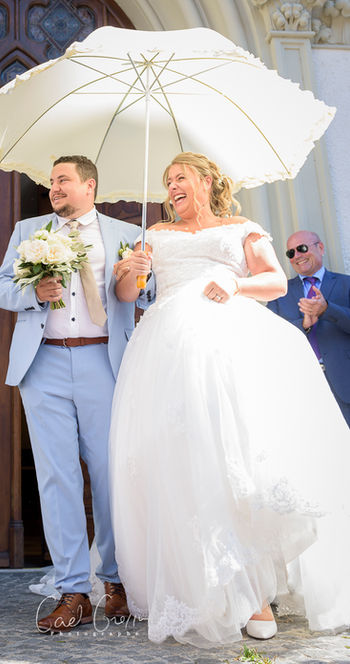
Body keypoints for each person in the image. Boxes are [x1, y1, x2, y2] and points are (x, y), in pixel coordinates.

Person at [109, 152, 350, 647]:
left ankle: (257, 591)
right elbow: (130, 294)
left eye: (181, 178)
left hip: (232, 344)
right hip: (168, 352)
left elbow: (275, 281)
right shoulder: (153, 236)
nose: (172, 187)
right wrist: (130, 270)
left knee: (238, 453)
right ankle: (202, 589)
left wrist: (235, 283)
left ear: (208, 180)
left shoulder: (242, 226)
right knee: (183, 460)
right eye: (167, 181)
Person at [0, 155, 152, 633]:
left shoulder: (126, 234)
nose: (54, 188)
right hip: (41, 362)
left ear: (90, 185)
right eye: (51, 182)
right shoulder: (28, 230)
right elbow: (4, 286)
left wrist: (142, 273)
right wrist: (34, 293)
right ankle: (72, 591)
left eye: (63, 180)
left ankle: (115, 582)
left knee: (110, 474)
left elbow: (144, 297)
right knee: (55, 476)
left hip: (103, 363)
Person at [267, 230, 350, 428]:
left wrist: (328, 309)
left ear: (320, 248)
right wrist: (303, 325)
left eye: (302, 248)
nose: (297, 256)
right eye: (291, 253)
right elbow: (270, 338)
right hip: (302, 387)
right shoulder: (280, 293)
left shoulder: (346, 284)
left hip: (345, 383)